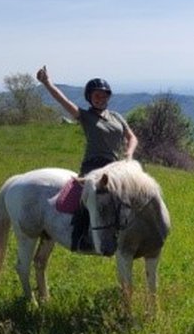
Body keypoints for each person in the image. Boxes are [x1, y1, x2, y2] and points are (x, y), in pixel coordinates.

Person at [36, 65, 138, 251]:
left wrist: (129, 154)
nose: (101, 99)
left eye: (104, 95)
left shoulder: (116, 117)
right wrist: (47, 83)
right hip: (93, 166)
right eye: (97, 96)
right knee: (87, 201)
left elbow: (131, 137)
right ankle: (79, 237)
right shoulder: (85, 116)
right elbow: (64, 101)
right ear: (89, 97)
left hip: (115, 167)